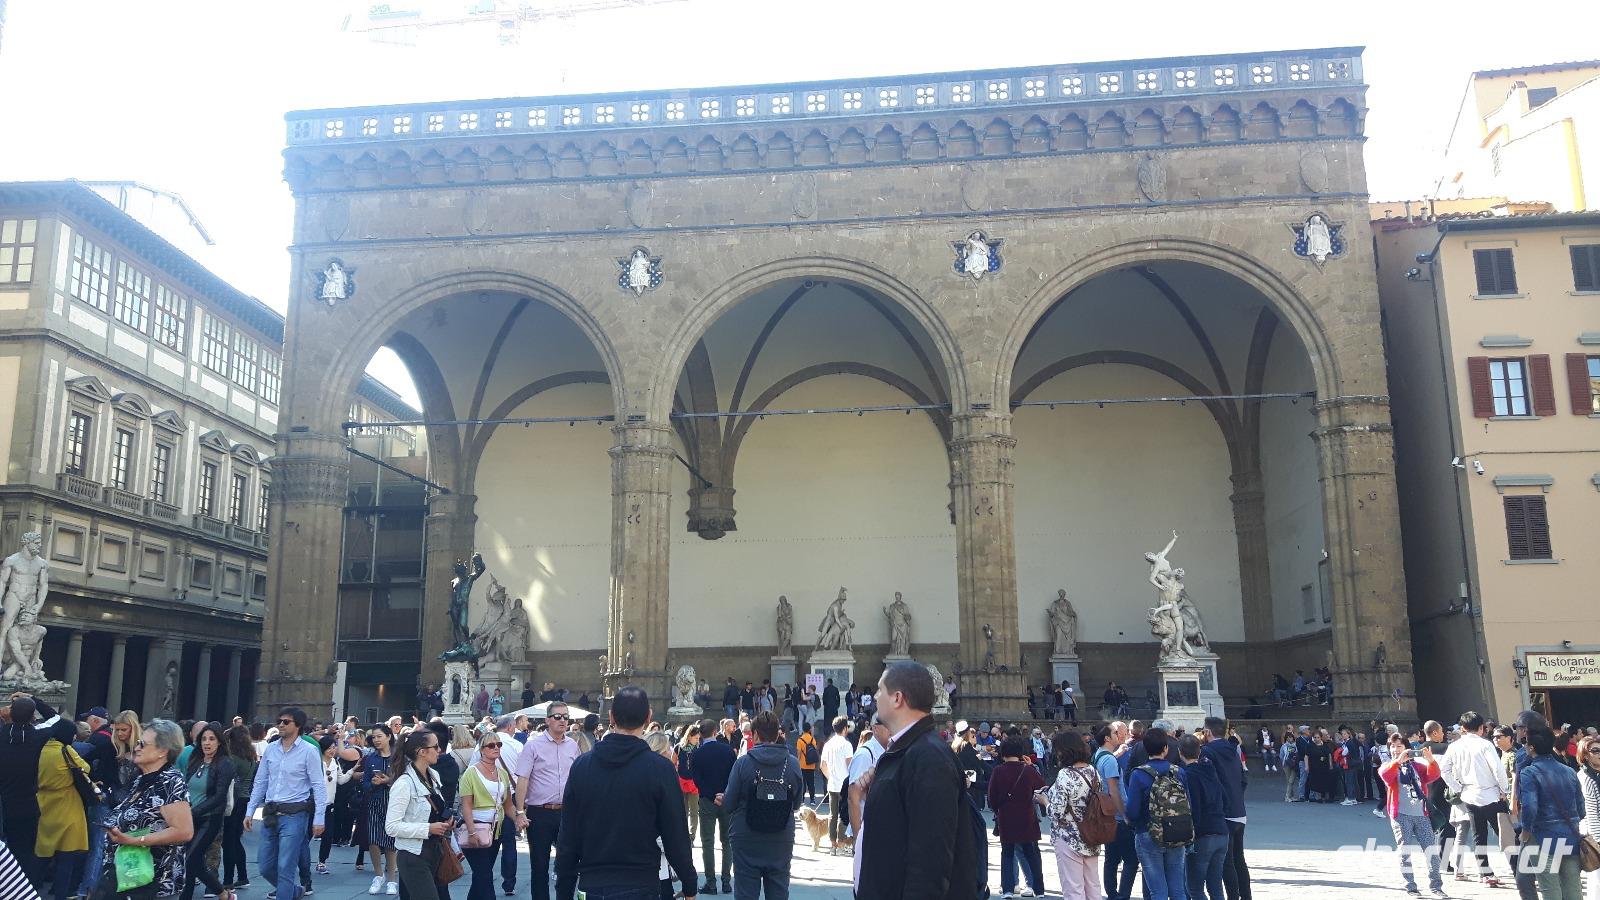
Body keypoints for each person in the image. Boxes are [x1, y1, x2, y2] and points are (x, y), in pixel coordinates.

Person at [554, 686, 697, 900]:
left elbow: (568, 837)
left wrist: (563, 892)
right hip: (641, 883)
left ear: (611, 716)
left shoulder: (582, 766)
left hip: (593, 884)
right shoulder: (660, 769)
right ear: (648, 717)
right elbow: (675, 835)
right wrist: (689, 884)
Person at [855, 660, 974, 900]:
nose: (875, 696)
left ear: (897, 698)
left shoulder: (929, 758)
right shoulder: (909, 750)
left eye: (880, 690)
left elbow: (931, 861)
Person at [101, 719, 195, 900]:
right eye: (138, 743)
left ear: (163, 751)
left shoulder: (169, 781)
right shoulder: (142, 779)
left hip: (152, 883)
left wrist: (135, 840)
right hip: (128, 878)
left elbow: (184, 831)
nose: (136, 747)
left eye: (143, 744)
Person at [245, 708, 328, 900]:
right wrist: (250, 811)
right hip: (271, 813)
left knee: (285, 867)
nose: (280, 724)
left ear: (298, 725)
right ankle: (294, 891)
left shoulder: (309, 751)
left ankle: (287, 892)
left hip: (295, 815)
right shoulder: (271, 749)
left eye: (286, 722)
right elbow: (261, 781)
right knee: (265, 867)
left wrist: (319, 818)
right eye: (279, 721)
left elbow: (318, 785)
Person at [721, 711, 802, 899]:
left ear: (755, 734)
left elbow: (729, 804)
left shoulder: (743, 763)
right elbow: (797, 803)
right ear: (777, 733)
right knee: (779, 891)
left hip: (746, 836)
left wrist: (724, 798)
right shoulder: (792, 763)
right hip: (781, 836)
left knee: (746, 892)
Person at [513, 700, 581, 900]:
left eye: (566, 717)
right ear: (548, 720)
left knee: (568, 863)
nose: (562, 720)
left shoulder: (572, 746)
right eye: (557, 717)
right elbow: (523, 779)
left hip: (566, 813)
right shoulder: (533, 746)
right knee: (539, 866)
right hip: (540, 812)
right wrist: (520, 812)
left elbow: (578, 779)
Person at [1441, 711, 1510, 888]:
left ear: (1463, 728)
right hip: (1491, 795)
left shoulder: (1454, 746)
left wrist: (1458, 787)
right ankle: (1518, 870)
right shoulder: (1485, 745)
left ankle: (1485, 873)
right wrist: (1505, 789)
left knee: (1479, 834)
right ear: (1481, 728)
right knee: (1504, 833)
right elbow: (1498, 769)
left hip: (1469, 794)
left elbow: (1444, 770)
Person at [1517, 728, 1585, 900]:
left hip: (1542, 835)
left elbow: (1530, 806)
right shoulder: (1569, 771)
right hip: (1570, 834)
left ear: (1531, 747)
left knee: (1550, 887)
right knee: (1573, 888)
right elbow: (1581, 807)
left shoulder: (1529, 772)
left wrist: (1525, 831)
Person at [385, 729, 453, 900]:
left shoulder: (433, 775)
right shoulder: (404, 783)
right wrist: (428, 828)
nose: (439, 750)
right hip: (413, 855)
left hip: (435, 852)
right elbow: (391, 827)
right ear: (422, 752)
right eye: (435, 747)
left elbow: (435, 810)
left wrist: (448, 821)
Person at [1125, 727, 1190, 900]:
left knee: (1157, 891)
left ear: (1146, 749)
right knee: (1178, 889)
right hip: (1176, 832)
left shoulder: (1138, 774)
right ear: (1166, 748)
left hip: (1148, 832)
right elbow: (1188, 804)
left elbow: (1132, 811)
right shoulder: (1179, 772)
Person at [1378, 731, 1443, 898]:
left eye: (1399, 746)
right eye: (1392, 746)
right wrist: (1398, 762)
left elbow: (1433, 775)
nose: (1395, 749)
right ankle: (1411, 886)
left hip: (1421, 814)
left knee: (1431, 851)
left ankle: (1436, 886)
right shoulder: (1388, 766)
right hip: (1401, 815)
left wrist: (1431, 761)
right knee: (1404, 851)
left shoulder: (1416, 766)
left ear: (1407, 748)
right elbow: (1386, 776)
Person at [0, 696, 56, 886]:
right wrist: (34, 699)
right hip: (26, 803)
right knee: (23, 853)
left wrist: (4, 716)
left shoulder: (2, 733)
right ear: (33, 716)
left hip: (3, 801)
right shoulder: (37, 735)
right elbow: (57, 719)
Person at [460, 731, 523, 900]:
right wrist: (472, 832)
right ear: (481, 750)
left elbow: (507, 804)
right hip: (476, 828)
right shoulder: (471, 773)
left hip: (495, 831)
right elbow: (466, 806)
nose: (496, 748)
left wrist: (519, 817)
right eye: (491, 745)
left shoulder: (502, 774)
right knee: (485, 876)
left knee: (481, 876)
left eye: (498, 745)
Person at [1040, 731, 1101, 900]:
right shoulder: (1093, 771)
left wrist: (1045, 801)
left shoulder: (1065, 774)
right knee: (1093, 886)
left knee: (1073, 888)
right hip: (1091, 834)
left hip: (1068, 836)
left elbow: (1056, 812)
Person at [180, 724, 237, 900]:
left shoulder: (225, 763)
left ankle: (222, 893)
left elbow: (219, 796)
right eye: (204, 739)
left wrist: (194, 812)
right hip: (189, 818)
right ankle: (220, 894)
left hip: (209, 819)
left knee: (191, 859)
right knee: (191, 862)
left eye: (211, 739)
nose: (207, 743)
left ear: (219, 742)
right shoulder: (195, 760)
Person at [37, 719, 92, 900]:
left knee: (42, 853)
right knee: (66, 856)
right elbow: (85, 768)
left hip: (43, 802)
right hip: (66, 802)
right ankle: (59, 894)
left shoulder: (40, 748)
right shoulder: (65, 750)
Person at [989, 735, 1046, 899]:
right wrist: (1031, 766)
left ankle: (1008, 889)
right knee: (1031, 854)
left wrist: (998, 810)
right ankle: (1039, 889)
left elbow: (992, 797)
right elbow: (1042, 786)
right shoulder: (1028, 770)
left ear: (1003, 753)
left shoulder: (998, 771)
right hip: (1027, 817)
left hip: (1006, 817)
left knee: (1007, 854)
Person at [1199, 716, 1250, 900]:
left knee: (1227, 862)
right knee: (1239, 859)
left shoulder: (1207, 751)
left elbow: (1210, 783)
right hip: (1239, 809)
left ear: (1207, 732)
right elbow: (1243, 779)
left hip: (1224, 812)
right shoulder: (1234, 749)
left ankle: (1233, 897)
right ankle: (1246, 896)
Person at [690, 718, 736, 895]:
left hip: (707, 801)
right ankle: (726, 881)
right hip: (726, 799)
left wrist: (711, 795)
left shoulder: (697, 754)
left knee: (708, 842)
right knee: (727, 841)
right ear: (716, 731)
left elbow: (697, 779)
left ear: (701, 734)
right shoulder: (727, 751)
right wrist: (724, 793)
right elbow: (734, 776)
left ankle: (711, 882)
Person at [1091, 723, 1136, 900]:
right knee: (1131, 859)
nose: (1119, 735)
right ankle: (1121, 895)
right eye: (1115, 733)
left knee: (1111, 858)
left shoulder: (1099, 754)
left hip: (1106, 814)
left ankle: (1112, 894)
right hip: (1116, 816)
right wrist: (1124, 815)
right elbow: (1114, 790)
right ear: (1107, 738)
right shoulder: (1109, 760)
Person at [1180, 735, 1227, 900]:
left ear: (1180, 753)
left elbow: (1195, 809)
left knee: (1194, 888)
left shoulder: (1188, 775)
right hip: (1221, 830)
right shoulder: (1211, 770)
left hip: (1203, 835)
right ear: (1199, 751)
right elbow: (1225, 798)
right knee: (1216, 887)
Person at [358, 724, 400, 895]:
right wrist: (373, 784)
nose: (376, 740)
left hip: (393, 802)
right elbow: (365, 783)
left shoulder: (398, 757)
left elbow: (404, 779)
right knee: (373, 840)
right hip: (374, 801)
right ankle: (378, 875)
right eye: (373, 737)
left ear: (389, 736)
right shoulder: (370, 759)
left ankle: (391, 879)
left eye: (379, 736)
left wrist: (388, 781)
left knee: (391, 841)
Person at [222, 725, 257, 892]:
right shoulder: (250, 757)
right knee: (235, 839)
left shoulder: (233, 759)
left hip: (233, 800)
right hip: (244, 798)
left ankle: (228, 880)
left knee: (228, 841)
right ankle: (242, 876)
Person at [846, 717, 891, 839]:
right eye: (888, 724)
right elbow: (853, 797)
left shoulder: (888, 751)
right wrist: (858, 837)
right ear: (875, 728)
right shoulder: (865, 754)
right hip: (866, 831)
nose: (893, 728)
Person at [819, 718, 854, 851]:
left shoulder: (828, 744)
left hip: (832, 784)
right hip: (844, 785)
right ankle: (841, 843)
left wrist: (830, 777)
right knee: (843, 815)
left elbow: (822, 765)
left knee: (832, 815)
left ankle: (832, 843)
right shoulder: (847, 744)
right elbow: (850, 765)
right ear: (845, 728)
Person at [1573, 734, 1600, 900]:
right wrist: (1598, 841)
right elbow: (1591, 812)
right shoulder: (1587, 778)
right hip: (1594, 835)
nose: (1599, 754)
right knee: (1596, 879)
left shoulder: (1595, 774)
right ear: (1585, 754)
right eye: (1595, 751)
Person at [678, 724, 702, 839]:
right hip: (681, 782)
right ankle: (683, 834)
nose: (698, 740)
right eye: (696, 738)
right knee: (682, 811)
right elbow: (672, 763)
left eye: (699, 738)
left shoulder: (699, 749)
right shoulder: (679, 747)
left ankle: (692, 836)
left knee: (694, 811)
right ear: (689, 737)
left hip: (694, 784)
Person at [794, 724, 820, 806]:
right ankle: (812, 800)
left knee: (803, 783)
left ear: (803, 729)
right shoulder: (812, 739)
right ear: (809, 730)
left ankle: (802, 800)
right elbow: (815, 751)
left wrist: (797, 763)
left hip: (802, 765)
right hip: (811, 765)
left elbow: (799, 753)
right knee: (811, 783)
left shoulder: (800, 740)